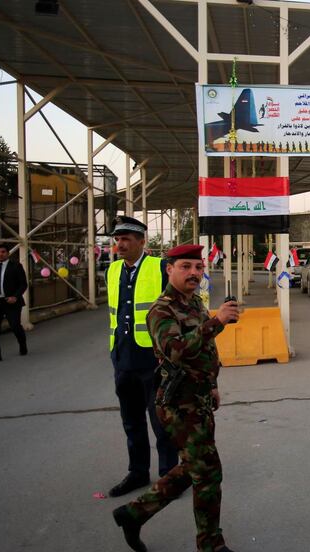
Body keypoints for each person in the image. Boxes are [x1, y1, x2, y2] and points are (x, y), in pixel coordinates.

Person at [113, 244, 239, 552]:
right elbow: (176, 350)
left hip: (199, 398)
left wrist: (211, 384)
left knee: (192, 469)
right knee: (208, 474)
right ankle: (211, 545)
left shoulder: (194, 302)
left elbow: (204, 350)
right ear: (169, 270)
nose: (194, 273)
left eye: (198, 267)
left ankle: (133, 514)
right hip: (178, 404)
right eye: (186, 266)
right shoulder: (161, 309)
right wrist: (217, 321)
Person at [107, 216, 178, 497]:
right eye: (117, 239)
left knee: (161, 420)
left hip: (154, 358)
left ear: (141, 241)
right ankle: (137, 472)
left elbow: (177, 307)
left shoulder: (160, 268)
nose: (120, 244)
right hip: (123, 358)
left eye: (125, 239)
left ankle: (169, 475)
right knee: (131, 420)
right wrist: (114, 353)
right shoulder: (112, 271)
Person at [0, 242, 28, 361]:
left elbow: (23, 284)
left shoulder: (16, 266)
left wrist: (15, 297)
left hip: (11, 302)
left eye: (3, 252)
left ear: (8, 253)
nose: (0, 254)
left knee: (15, 326)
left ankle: (22, 344)